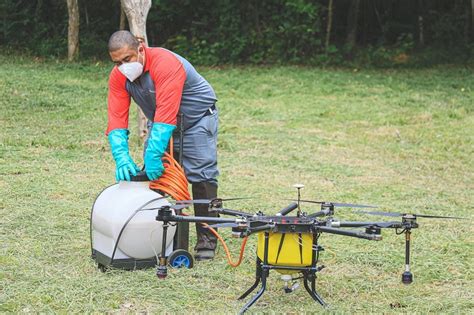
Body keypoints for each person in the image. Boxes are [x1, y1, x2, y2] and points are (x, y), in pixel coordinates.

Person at [105, 30, 219, 261]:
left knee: (201, 175)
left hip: (197, 120)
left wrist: (154, 154)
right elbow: (117, 118)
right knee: (152, 177)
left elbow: (167, 115)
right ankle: (157, 235)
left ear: (140, 48)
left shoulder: (166, 63)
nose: (123, 66)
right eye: (117, 63)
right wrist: (121, 156)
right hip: (161, 122)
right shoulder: (119, 77)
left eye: (127, 59)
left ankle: (207, 240)